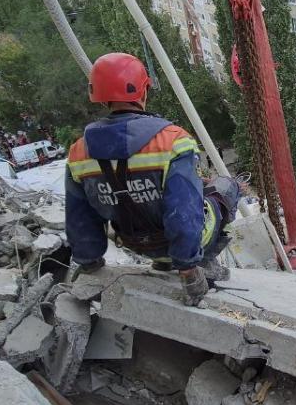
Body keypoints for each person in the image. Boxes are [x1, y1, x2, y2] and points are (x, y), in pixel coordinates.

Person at [65, 53, 240, 306]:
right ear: (143, 91)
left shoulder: (78, 153)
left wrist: (89, 263)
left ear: (99, 97)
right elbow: (183, 214)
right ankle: (203, 261)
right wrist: (188, 270)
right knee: (226, 188)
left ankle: (165, 261)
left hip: (135, 244)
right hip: (179, 248)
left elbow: (80, 219)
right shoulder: (173, 141)